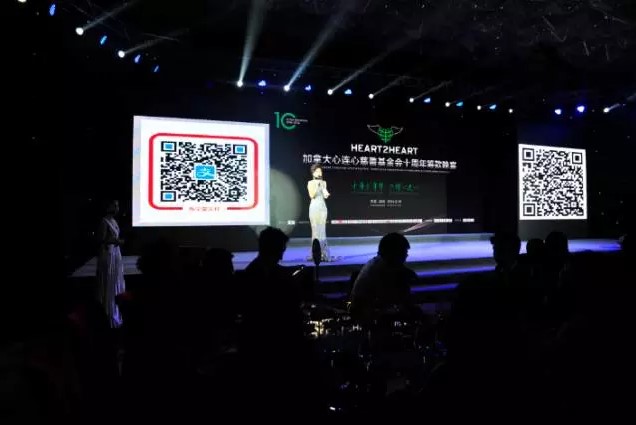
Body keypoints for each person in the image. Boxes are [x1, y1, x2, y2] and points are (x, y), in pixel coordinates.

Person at [350, 232, 419, 322]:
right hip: (369, 318)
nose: (406, 257)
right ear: (394, 253)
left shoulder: (379, 263)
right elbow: (395, 299)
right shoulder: (382, 271)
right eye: (403, 253)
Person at [96, 200, 125, 328]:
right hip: (108, 254)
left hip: (116, 253)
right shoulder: (104, 221)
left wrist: (117, 241)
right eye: (115, 205)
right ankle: (107, 313)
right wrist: (114, 241)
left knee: (116, 280)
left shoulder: (114, 221)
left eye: (118, 205)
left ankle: (115, 312)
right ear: (108, 206)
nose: (117, 208)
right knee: (108, 280)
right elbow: (101, 240)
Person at [307, 163, 331, 261]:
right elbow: (312, 195)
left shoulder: (324, 182)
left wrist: (326, 192)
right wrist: (317, 185)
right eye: (317, 171)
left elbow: (325, 195)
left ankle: (324, 254)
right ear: (313, 173)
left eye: (320, 171)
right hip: (314, 207)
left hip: (322, 208)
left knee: (322, 231)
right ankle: (315, 254)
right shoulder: (310, 183)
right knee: (315, 231)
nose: (319, 173)